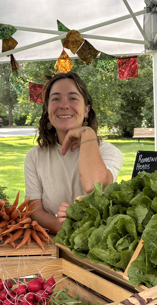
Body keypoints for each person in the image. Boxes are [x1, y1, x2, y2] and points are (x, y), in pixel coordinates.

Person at [24, 72, 123, 234]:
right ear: (48, 110)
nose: (64, 105)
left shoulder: (109, 152)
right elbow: (34, 210)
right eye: (55, 99)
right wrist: (61, 225)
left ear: (86, 110)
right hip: (54, 243)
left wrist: (87, 134)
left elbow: (95, 185)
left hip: (97, 243)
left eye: (73, 98)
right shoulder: (35, 157)